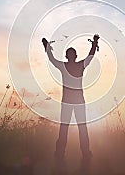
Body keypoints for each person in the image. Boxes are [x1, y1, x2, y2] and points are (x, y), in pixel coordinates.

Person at [42, 34, 99, 163]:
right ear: (75, 56)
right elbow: (91, 55)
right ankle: (85, 154)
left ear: (67, 56)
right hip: (78, 102)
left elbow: (51, 58)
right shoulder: (80, 65)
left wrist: (46, 46)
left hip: (67, 102)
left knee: (64, 128)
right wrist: (94, 43)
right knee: (82, 128)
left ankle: (60, 154)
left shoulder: (63, 66)